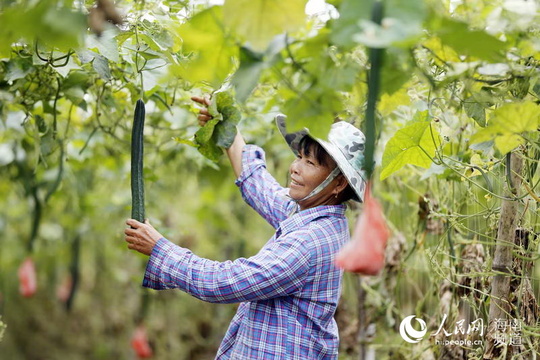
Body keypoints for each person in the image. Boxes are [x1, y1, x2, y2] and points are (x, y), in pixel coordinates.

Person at [124, 96, 367, 359]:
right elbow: (258, 186)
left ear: (339, 183)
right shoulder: (310, 215)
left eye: (310, 163)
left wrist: (162, 250)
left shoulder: (310, 242)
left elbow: (226, 283)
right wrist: (226, 127)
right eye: (299, 156)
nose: (295, 168)